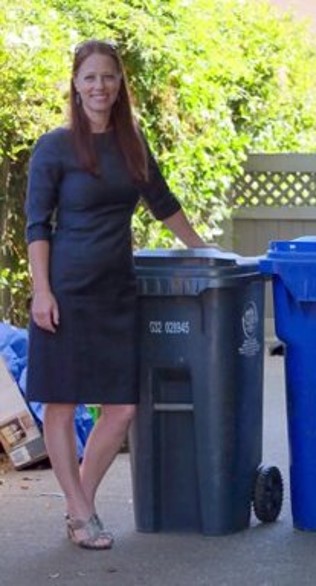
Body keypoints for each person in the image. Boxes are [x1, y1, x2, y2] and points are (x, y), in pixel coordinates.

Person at [25, 39, 210, 550]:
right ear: (76, 85)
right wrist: (42, 291)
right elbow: (37, 225)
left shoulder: (132, 143)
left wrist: (204, 250)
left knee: (122, 408)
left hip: (115, 293)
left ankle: (76, 504)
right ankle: (84, 515)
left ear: (119, 83)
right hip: (64, 290)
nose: (99, 86)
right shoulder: (54, 147)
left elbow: (162, 202)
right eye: (90, 77)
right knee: (61, 406)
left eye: (108, 76)